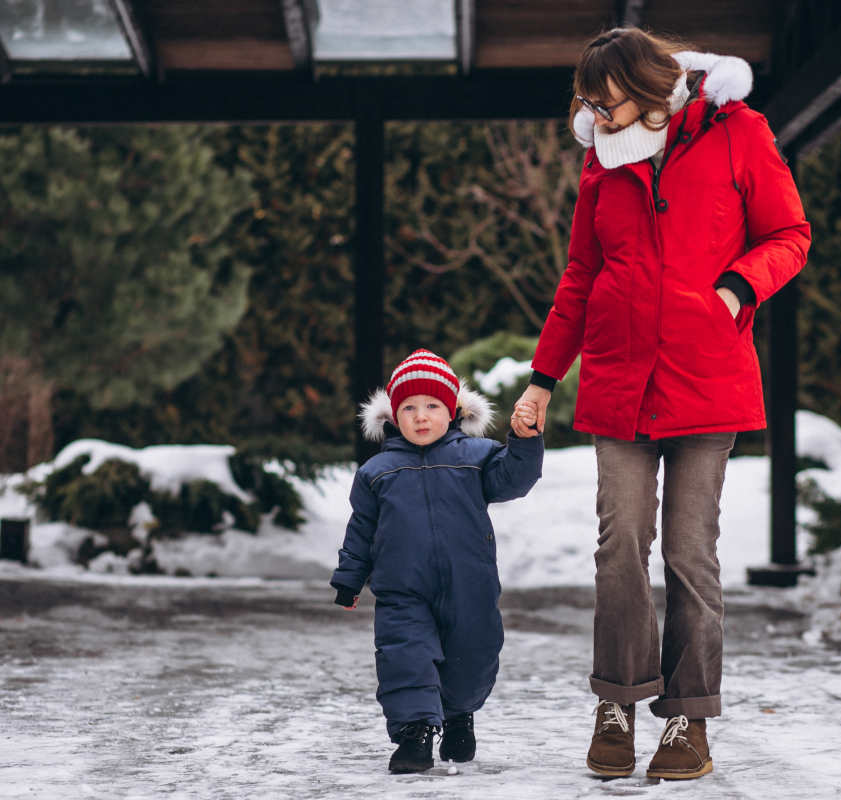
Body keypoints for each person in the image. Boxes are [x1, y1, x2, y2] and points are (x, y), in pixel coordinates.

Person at [513, 29, 811, 781]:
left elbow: (789, 232)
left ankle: (688, 720)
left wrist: (739, 286)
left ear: (647, 87)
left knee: (689, 554)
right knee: (620, 549)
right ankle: (616, 704)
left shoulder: (737, 131)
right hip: (619, 384)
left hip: (709, 378)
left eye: (603, 100)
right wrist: (543, 377)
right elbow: (582, 273)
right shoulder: (599, 161)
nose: (594, 115)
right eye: (587, 103)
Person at [332, 348, 544, 774]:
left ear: (453, 411)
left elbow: (515, 480)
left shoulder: (477, 457)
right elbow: (361, 529)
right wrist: (349, 578)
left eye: (432, 406)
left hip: (471, 586)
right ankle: (414, 734)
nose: (421, 416)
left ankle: (457, 713)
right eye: (409, 407)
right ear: (394, 416)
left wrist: (524, 441)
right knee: (404, 656)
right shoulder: (378, 471)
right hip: (402, 591)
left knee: (474, 655)